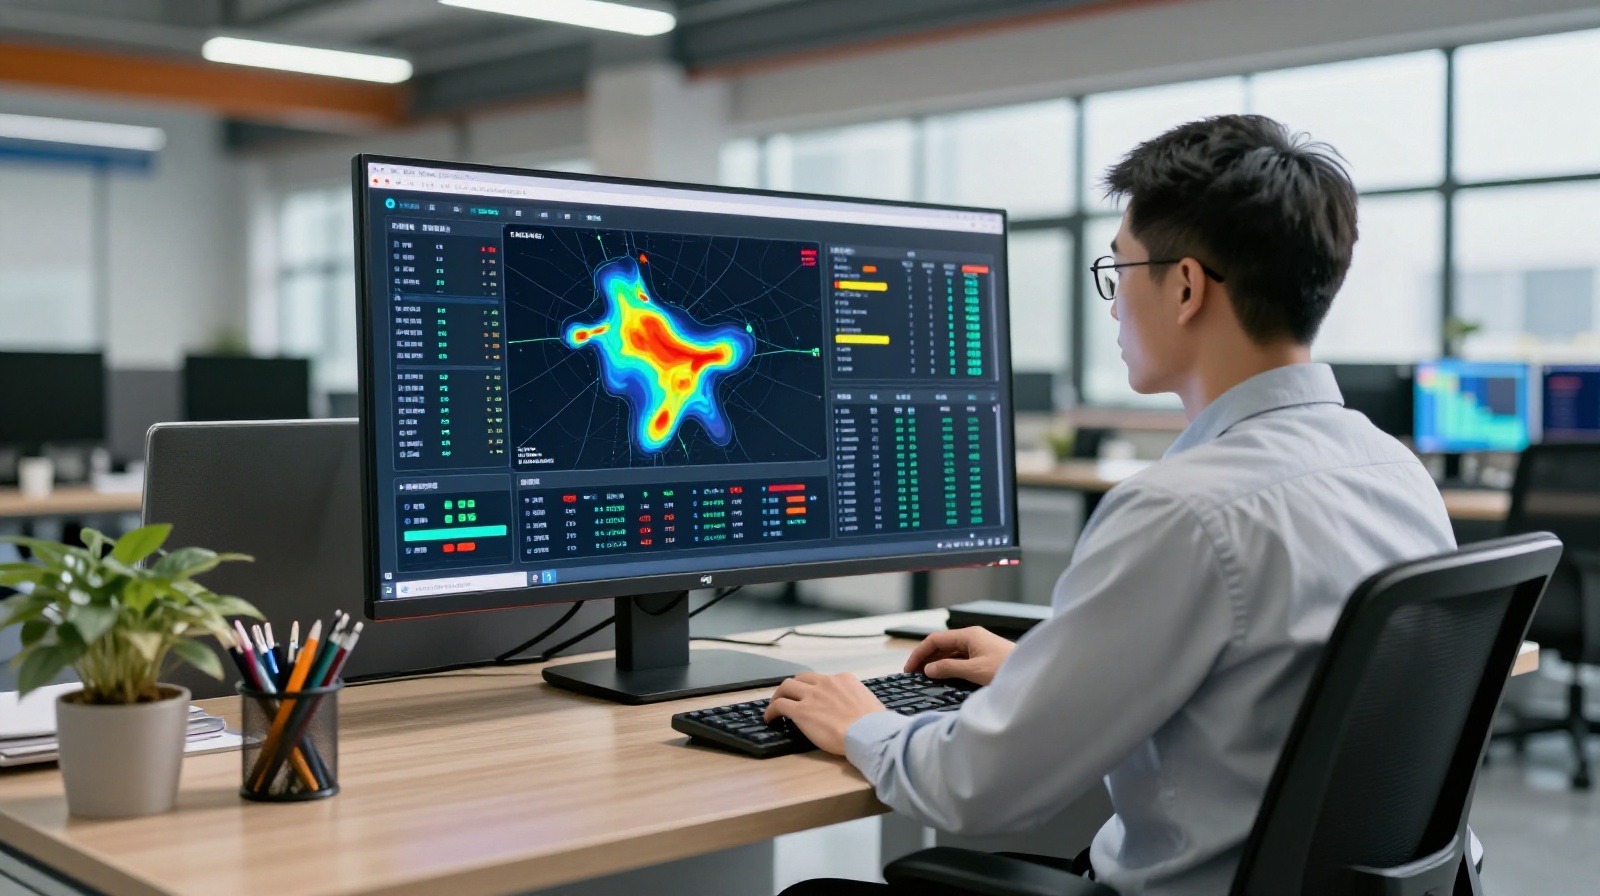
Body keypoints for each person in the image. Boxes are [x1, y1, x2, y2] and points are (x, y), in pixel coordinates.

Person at [769, 114, 1456, 895]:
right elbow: (1268, 689)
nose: (1114, 301)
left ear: (1187, 286)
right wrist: (1042, 673)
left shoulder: (1183, 511)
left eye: (1120, 269)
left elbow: (973, 788)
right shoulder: (1392, 469)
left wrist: (859, 718)